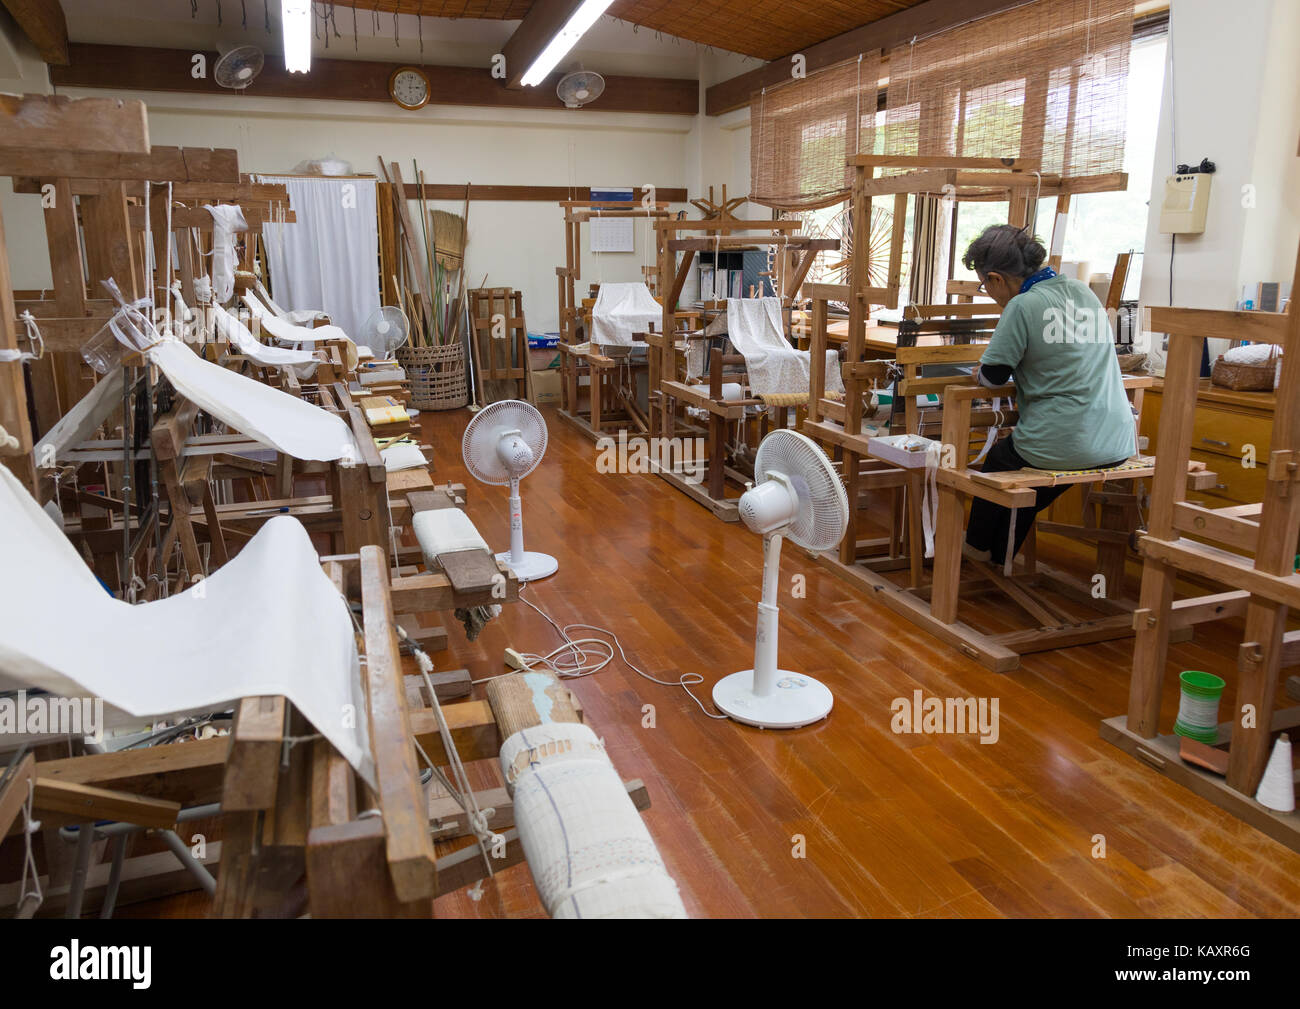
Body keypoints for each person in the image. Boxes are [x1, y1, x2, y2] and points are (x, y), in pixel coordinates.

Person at [960, 224, 1136, 565]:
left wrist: (978, 371)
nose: (990, 293)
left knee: (1001, 464)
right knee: (1029, 486)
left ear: (996, 278)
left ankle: (978, 550)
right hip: (1116, 440)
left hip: (1065, 442)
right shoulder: (1083, 291)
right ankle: (1001, 555)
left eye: (985, 286)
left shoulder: (1023, 304)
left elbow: (993, 377)